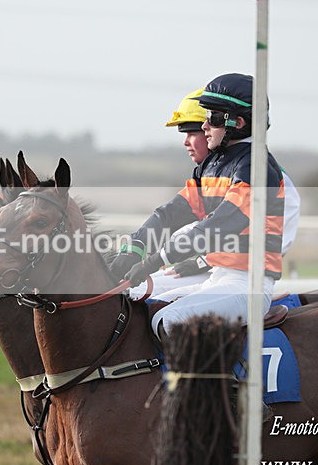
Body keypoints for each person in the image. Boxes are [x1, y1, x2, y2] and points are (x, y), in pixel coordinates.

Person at [110, 73, 287, 338]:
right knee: (131, 303)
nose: (204, 126)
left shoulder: (256, 166)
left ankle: (210, 382)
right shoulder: (212, 165)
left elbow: (220, 225)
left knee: (169, 321)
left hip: (247, 285)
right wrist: (133, 248)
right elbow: (169, 215)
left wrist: (156, 260)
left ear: (238, 123)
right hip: (218, 277)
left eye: (213, 118)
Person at [129, 86, 301, 302]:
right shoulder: (210, 171)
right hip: (215, 269)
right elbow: (171, 216)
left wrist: (202, 261)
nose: (186, 142)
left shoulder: (261, 172)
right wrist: (134, 248)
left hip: (236, 276)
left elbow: (278, 238)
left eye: (193, 133)